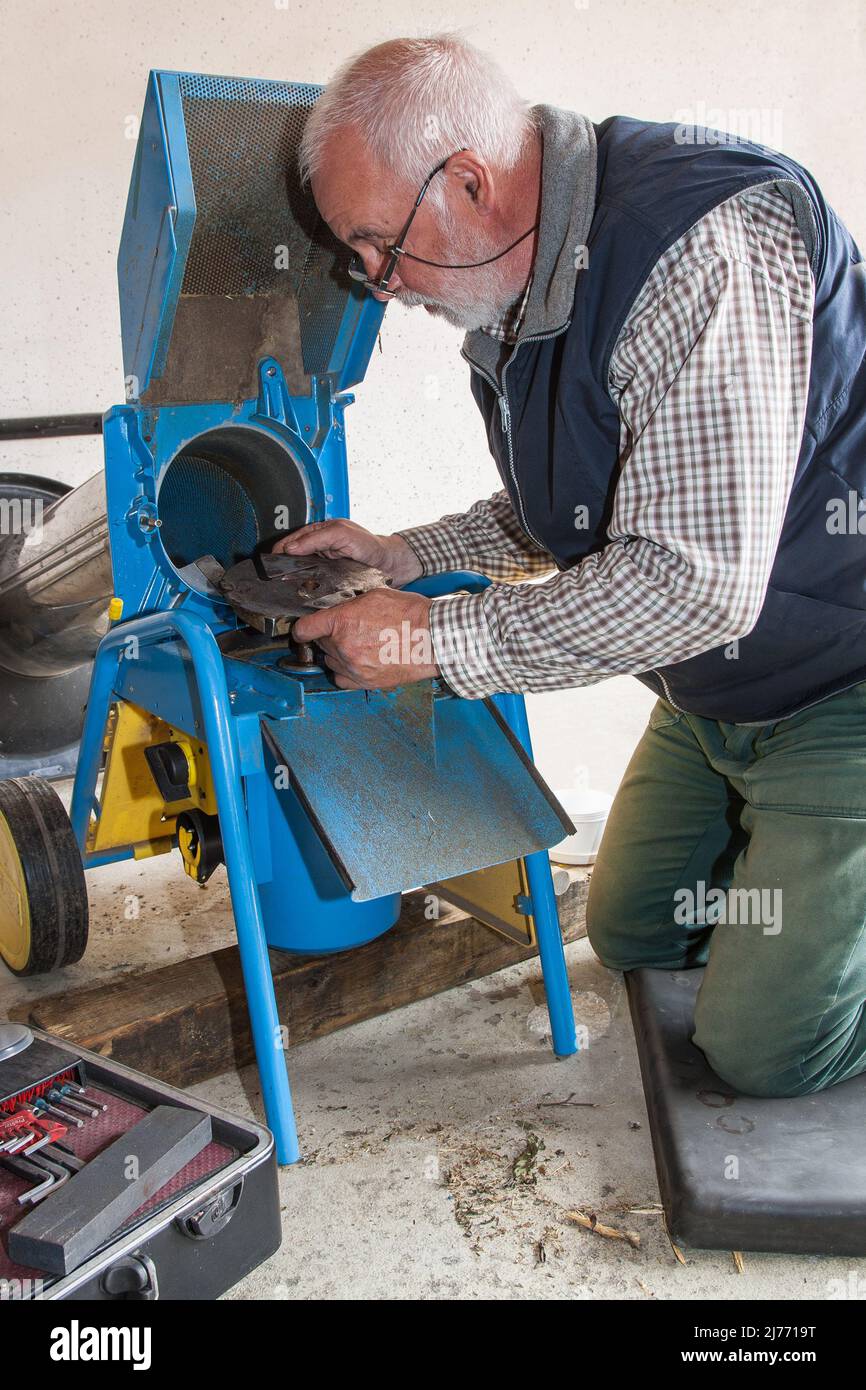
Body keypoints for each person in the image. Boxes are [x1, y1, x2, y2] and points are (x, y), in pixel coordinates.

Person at [273, 34, 866, 1100]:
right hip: (715, 685)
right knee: (637, 931)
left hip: (842, 674)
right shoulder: (514, 288)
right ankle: (800, 904)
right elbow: (576, 505)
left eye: (375, 243)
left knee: (763, 1051)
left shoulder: (699, 243)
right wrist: (405, 551)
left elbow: (690, 578)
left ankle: (821, 923)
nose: (372, 284)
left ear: (469, 180)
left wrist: (426, 640)